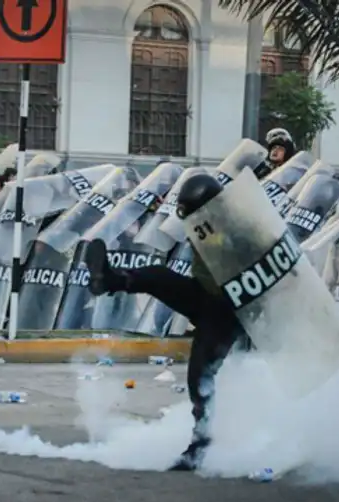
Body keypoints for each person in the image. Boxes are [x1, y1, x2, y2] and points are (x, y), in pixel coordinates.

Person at [83, 173, 257, 472]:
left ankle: (200, 448)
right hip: (204, 296)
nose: (190, 220)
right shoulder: (203, 222)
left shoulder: (237, 227)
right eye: (186, 214)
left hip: (230, 310)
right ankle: (109, 279)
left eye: (193, 213)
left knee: (200, 377)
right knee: (156, 276)